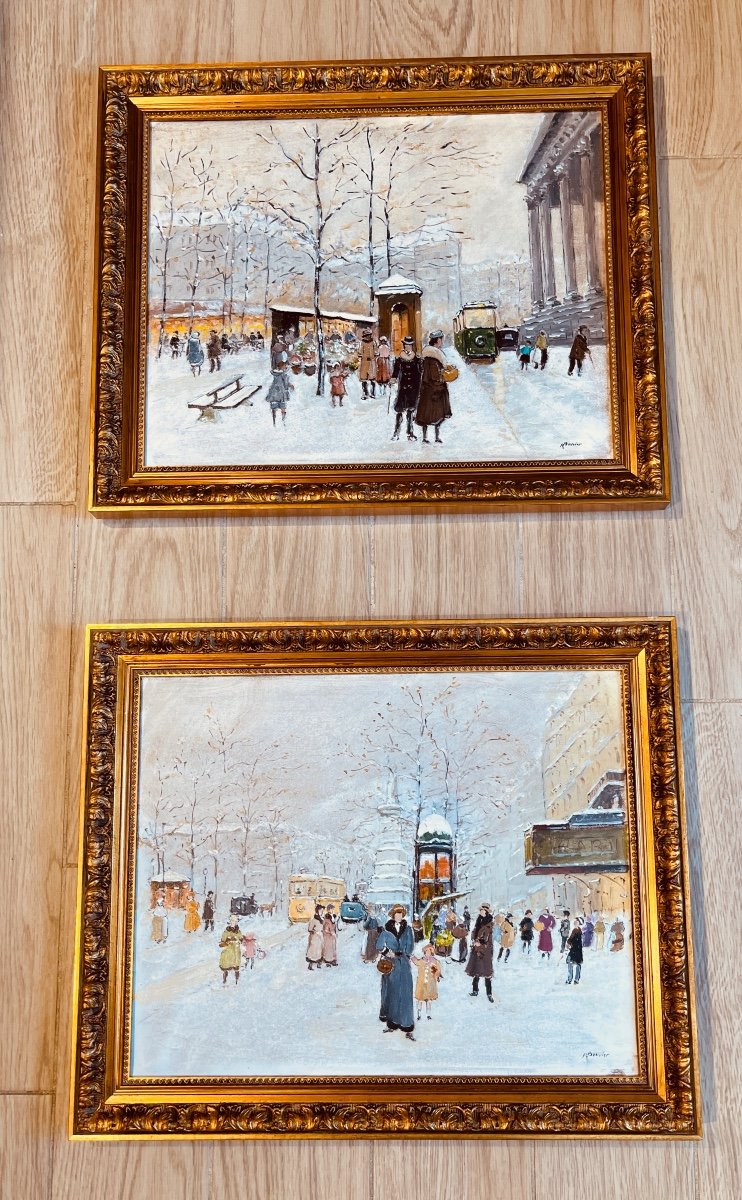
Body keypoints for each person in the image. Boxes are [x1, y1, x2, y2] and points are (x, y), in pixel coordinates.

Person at [377, 904, 416, 1039]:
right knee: (392, 993)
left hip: (404, 964)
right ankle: (392, 1023)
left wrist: (403, 953)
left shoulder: (408, 929)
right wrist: (388, 952)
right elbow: (379, 945)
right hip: (391, 965)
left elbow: (410, 947)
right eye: (396, 914)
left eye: (400, 914)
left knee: (405, 993)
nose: (398, 916)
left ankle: (407, 1026)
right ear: (393, 916)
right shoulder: (386, 930)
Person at [415, 331, 452, 444]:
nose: (442, 341)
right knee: (434, 415)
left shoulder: (430, 356)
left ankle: (429, 437)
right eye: (441, 339)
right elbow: (435, 376)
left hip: (429, 390)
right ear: (438, 340)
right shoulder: (433, 358)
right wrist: (443, 378)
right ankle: (430, 437)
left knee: (429, 415)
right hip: (434, 390)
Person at [391, 335, 422, 440]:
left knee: (410, 410)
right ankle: (396, 432)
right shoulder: (399, 359)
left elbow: (420, 371)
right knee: (399, 410)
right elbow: (396, 371)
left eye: (410, 345)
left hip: (413, 388)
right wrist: (393, 378)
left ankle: (410, 432)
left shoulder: (417, 359)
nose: (408, 347)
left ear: (412, 346)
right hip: (403, 387)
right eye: (406, 345)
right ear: (404, 346)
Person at [466, 903, 495, 1001]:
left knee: (487, 972)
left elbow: (487, 938)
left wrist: (480, 944)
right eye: (481, 910)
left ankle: (489, 994)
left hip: (485, 950)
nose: (481, 911)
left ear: (486, 912)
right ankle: (475, 990)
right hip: (477, 949)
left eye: (483, 910)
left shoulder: (489, 923)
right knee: (476, 970)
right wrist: (474, 941)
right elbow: (474, 933)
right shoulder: (479, 920)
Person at [412, 943, 443, 1021]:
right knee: (420, 999)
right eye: (426, 952)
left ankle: (428, 1014)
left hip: (430, 984)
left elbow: (436, 971)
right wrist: (412, 956)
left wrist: (437, 975)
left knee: (429, 1000)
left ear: (432, 952)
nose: (428, 953)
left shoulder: (434, 961)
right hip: (421, 984)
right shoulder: (421, 961)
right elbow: (416, 962)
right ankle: (419, 1014)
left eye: (429, 952)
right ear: (424, 952)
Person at [219, 917, 242, 986]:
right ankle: (224, 981)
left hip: (236, 952)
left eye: (235, 921)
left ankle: (237, 981)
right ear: (229, 922)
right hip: (228, 953)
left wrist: (237, 939)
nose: (233, 923)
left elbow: (241, 940)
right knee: (225, 968)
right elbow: (221, 944)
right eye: (232, 921)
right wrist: (227, 941)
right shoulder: (226, 932)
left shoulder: (238, 931)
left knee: (236, 968)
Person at [359, 329, 377, 397]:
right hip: (364, 362)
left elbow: (376, 351)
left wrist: (374, 355)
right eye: (366, 336)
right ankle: (365, 393)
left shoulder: (373, 342)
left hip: (371, 362)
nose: (367, 337)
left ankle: (372, 393)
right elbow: (360, 352)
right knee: (364, 379)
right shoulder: (362, 343)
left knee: (372, 378)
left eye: (369, 335)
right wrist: (361, 355)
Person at [306, 904, 324, 970]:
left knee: (320, 950)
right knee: (313, 951)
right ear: (317, 911)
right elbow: (310, 929)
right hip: (315, 938)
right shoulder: (313, 920)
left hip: (320, 937)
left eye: (322, 911)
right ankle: (310, 965)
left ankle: (319, 964)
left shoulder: (322, 919)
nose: (322, 912)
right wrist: (315, 932)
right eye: (320, 911)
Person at [566, 918, 584, 984]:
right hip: (578, 950)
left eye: (576, 922)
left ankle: (570, 979)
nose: (575, 922)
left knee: (570, 963)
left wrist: (568, 943)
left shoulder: (575, 930)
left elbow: (571, 939)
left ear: (579, 923)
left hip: (574, 950)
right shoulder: (579, 930)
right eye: (575, 921)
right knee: (578, 964)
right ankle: (576, 979)